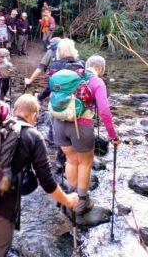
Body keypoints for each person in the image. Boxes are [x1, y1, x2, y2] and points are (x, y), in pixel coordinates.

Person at [0, 94, 79, 257]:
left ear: (14, 110)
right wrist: (68, 200)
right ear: (33, 116)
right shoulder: (33, 136)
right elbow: (47, 182)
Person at [50, 55, 120, 215]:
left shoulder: (72, 75)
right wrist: (113, 136)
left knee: (71, 160)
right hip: (80, 127)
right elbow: (104, 111)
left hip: (59, 123)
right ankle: (82, 201)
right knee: (85, 163)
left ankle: (70, 197)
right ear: (101, 69)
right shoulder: (97, 82)